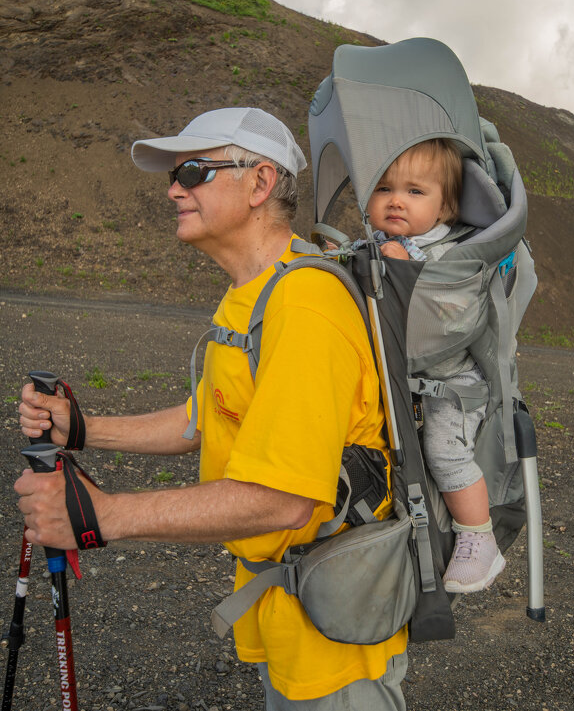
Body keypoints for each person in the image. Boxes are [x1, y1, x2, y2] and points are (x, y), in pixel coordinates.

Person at [16, 107, 408, 710]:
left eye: (195, 170)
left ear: (260, 183)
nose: (174, 188)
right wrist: (85, 429)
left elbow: (283, 496)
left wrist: (103, 515)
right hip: (290, 603)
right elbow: (210, 414)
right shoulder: (251, 293)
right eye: (175, 175)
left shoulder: (304, 305)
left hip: (332, 631)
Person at [366, 138, 506, 593]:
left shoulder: (452, 254)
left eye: (414, 192)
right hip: (403, 375)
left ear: (445, 207)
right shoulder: (375, 242)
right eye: (383, 188)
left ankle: (478, 538)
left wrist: (409, 274)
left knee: (444, 449)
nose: (395, 201)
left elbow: (451, 320)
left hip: (454, 380)